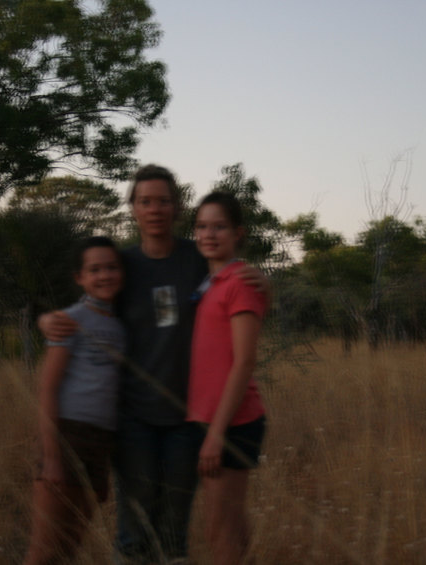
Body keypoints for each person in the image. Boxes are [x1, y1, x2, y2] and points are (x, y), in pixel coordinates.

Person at [39, 165, 267, 564]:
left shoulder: (197, 257)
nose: (155, 209)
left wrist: (265, 280)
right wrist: (45, 320)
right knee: (135, 515)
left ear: (176, 207)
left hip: (186, 418)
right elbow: (88, 307)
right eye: (145, 201)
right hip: (134, 418)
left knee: (175, 521)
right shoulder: (122, 266)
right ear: (133, 208)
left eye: (163, 200)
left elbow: (233, 281)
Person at [24, 236, 126, 565]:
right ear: (79, 278)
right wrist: (52, 458)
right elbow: (48, 390)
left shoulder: (125, 323)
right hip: (67, 437)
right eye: (94, 269)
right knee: (45, 550)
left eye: (111, 267)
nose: (104, 275)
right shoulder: (70, 320)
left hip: (102, 443)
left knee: (70, 546)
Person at [188, 192, 268, 565]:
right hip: (210, 419)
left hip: (232, 422)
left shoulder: (240, 282)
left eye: (219, 226)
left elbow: (244, 362)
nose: (209, 234)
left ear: (238, 233)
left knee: (219, 532)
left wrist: (216, 436)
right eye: (202, 226)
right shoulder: (212, 283)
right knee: (230, 528)